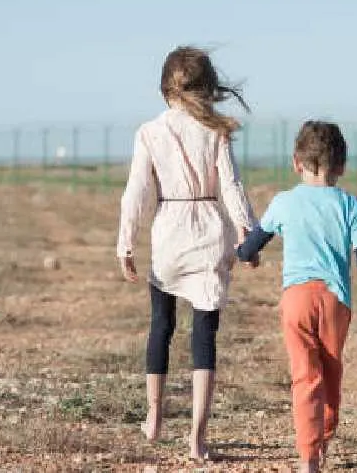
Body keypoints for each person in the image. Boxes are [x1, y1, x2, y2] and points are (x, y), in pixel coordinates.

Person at [117, 46, 256, 461]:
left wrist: (126, 241)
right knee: (204, 336)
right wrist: (247, 234)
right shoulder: (217, 132)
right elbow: (232, 187)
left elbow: (137, 193)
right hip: (211, 229)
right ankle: (197, 436)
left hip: (169, 232)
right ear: (207, 87)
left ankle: (154, 415)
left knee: (161, 325)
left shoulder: (149, 132)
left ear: (165, 88)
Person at [236, 120, 357, 473]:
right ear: (341, 166)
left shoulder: (283, 202)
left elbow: (252, 245)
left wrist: (244, 253)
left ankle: (308, 458)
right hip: (334, 302)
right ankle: (323, 440)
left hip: (295, 300)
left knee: (304, 377)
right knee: (330, 371)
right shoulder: (351, 206)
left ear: (296, 162)